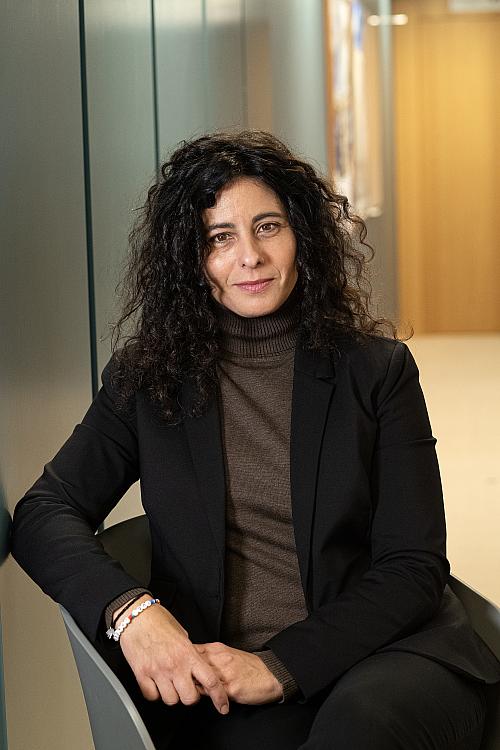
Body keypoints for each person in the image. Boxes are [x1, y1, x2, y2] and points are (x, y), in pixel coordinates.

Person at [11, 130, 500, 750]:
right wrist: (132, 611)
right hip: (229, 679)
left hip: (386, 655)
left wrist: (281, 666)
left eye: (268, 227)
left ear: (303, 236)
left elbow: (413, 566)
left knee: (360, 727)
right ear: (189, 259)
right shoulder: (149, 378)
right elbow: (45, 511)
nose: (250, 256)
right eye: (219, 238)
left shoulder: (377, 371)